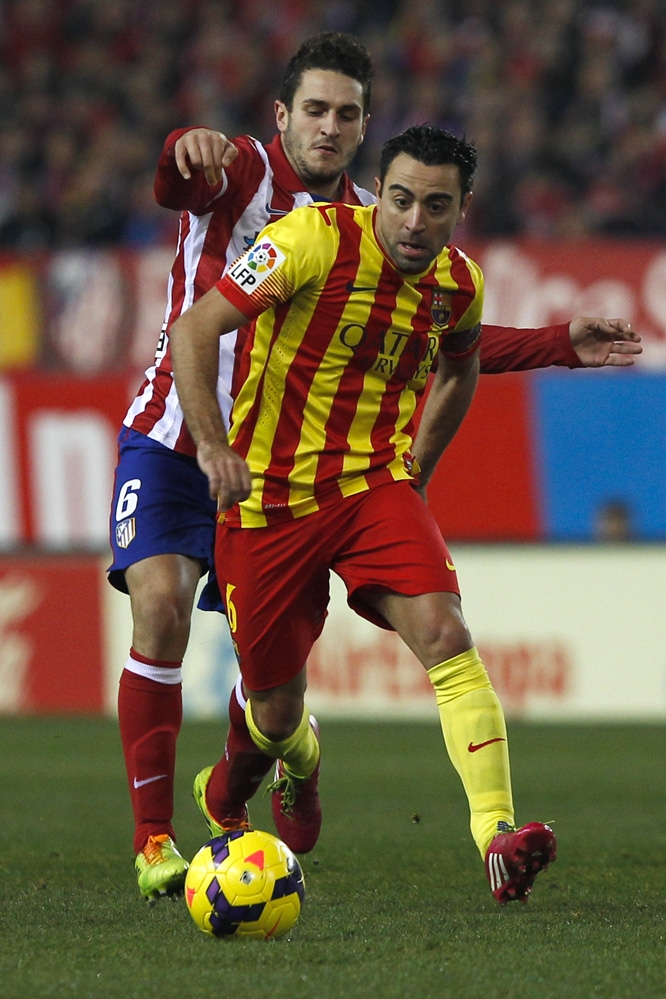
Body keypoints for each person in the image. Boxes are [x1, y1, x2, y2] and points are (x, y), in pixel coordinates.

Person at [109, 31, 641, 901]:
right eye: (313, 108)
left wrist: (551, 346)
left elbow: (444, 338)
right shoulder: (249, 177)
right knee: (165, 613)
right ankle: (157, 837)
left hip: (351, 477)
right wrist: (178, 148)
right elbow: (177, 192)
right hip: (191, 438)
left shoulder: (382, 219)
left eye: (346, 113)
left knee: (431, 637)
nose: (327, 126)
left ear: (365, 130)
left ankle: (490, 836)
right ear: (282, 114)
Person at [169, 123, 557, 906]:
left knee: (446, 633)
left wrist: (418, 471)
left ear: (461, 208)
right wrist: (212, 445)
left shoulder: (458, 283)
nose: (415, 221)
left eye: (437, 206)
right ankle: (285, 760)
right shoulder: (307, 238)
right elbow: (195, 326)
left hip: (370, 487)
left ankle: (497, 836)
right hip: (268, 501)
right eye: (404, 200)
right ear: (383, 190)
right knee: (274, 711)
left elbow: (462, 363)